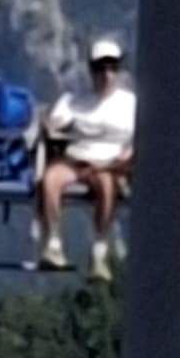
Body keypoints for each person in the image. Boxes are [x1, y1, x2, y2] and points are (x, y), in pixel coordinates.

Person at [33, 33, 135, 275]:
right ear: (92, 70)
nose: (106, 74)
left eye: (112, 68)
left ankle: (99, 250)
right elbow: (54, 123)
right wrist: (51, 125)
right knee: (50, 179)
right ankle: (53, 242)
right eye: (100, 68)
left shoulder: (130, 103)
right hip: (77, 158)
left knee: (106, 186)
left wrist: (127, 157)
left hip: (109, 164)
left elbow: (140, 138)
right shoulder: (74, 101)